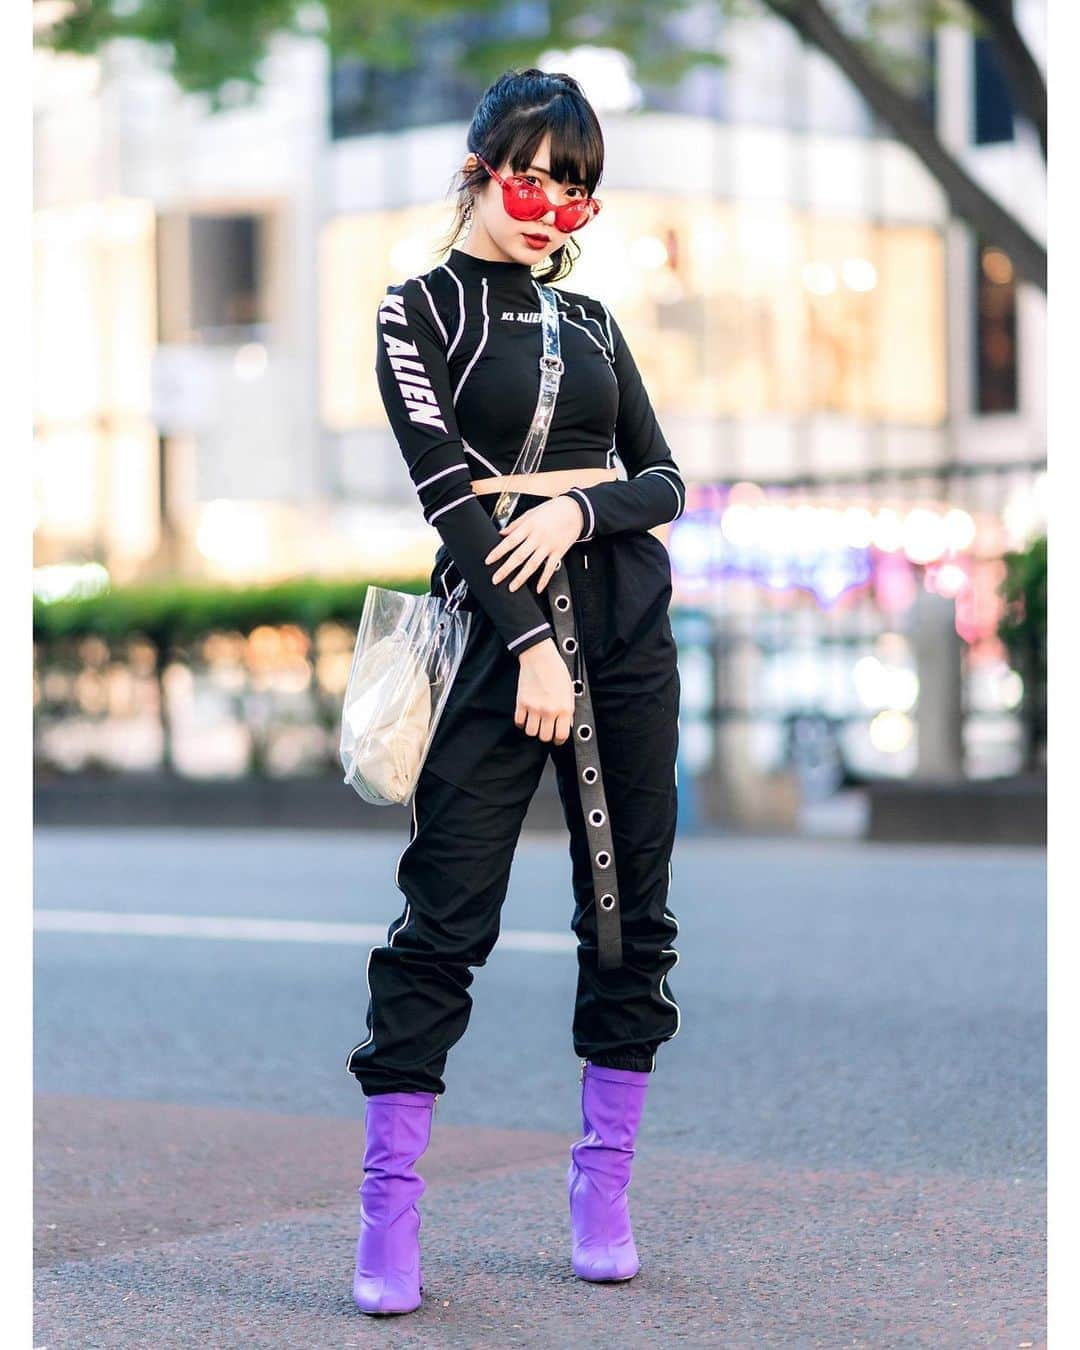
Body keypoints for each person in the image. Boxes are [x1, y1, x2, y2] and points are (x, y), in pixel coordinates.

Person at [347, 67, 685, 1316]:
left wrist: (576, 504)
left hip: (627, 628)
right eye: (533, 177)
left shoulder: (596, 324)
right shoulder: (415, 311)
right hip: (495, 639)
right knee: (446, 918)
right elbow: (442, 486)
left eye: (579, 194)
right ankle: (390, 1214)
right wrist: (532, 646)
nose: (551, 209)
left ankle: (604, 1187)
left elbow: (665, 481)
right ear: (482, 164)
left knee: (628, 918)